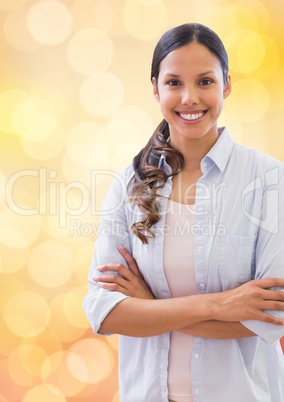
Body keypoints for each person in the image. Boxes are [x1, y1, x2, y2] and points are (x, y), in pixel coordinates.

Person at [83, 23, 284, 402]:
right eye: (174, 82)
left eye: (205, 81)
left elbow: (269, 317)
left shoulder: (269, 180)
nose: (189, 97)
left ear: (226, 85)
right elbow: (105, 313)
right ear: (155, 88)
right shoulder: (129, 183)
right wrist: (219, 305)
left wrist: (149, 308)